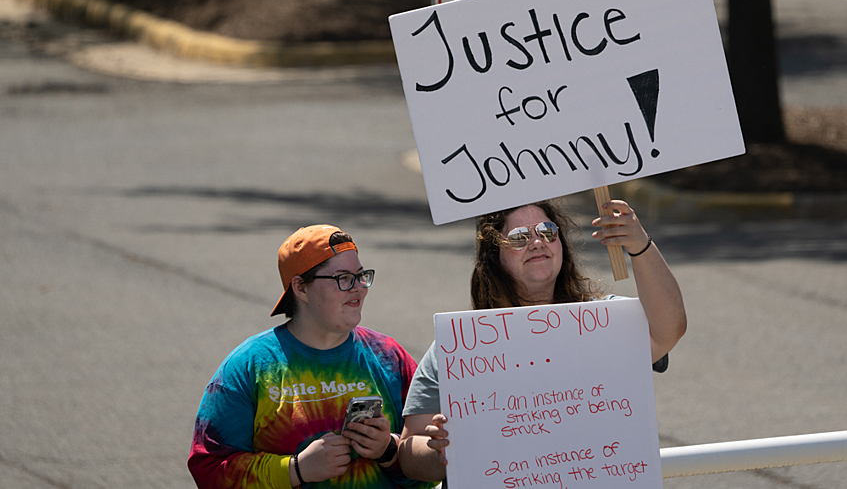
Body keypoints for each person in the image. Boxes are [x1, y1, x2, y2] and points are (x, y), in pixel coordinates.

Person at [397, 199, 687, 483]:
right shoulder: (461, 346)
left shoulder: (604, 322)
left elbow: (669, 329)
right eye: (519, 237)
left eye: (548, 231)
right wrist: (438, 452)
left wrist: (640, 245)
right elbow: (410, 453)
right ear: (494, 256)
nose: (537, 242)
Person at [188, 224, 433, 489]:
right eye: (343, 278)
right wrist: (297, 469)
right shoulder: (250, 366)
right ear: (301, 288)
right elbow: (209, 470)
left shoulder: (389, 357)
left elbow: (434, 467)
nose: (359, 289)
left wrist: (388, 450)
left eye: (361, 276)